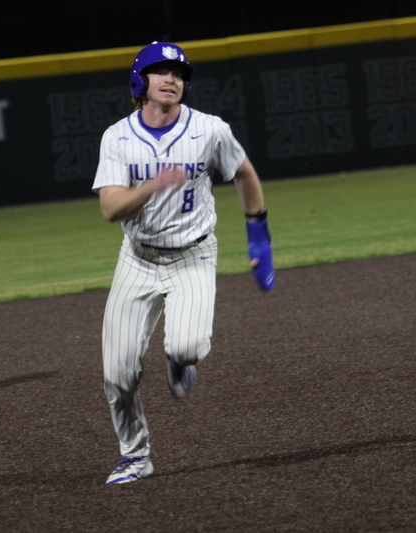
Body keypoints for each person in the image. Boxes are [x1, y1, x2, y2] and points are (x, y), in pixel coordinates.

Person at [92, 41, 275, 484]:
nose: (172, 79)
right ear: (140, 81)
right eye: (160, 71)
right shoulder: (117, 137)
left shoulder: (208, 129)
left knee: (188, 347)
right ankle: (135, 456)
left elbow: (245, 173)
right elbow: (112, 208)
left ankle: (179, 361)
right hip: (137, 260)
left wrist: (259, 236)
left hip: (194, 254)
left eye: (178, 73)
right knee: (118, 375)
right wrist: (153, 186)